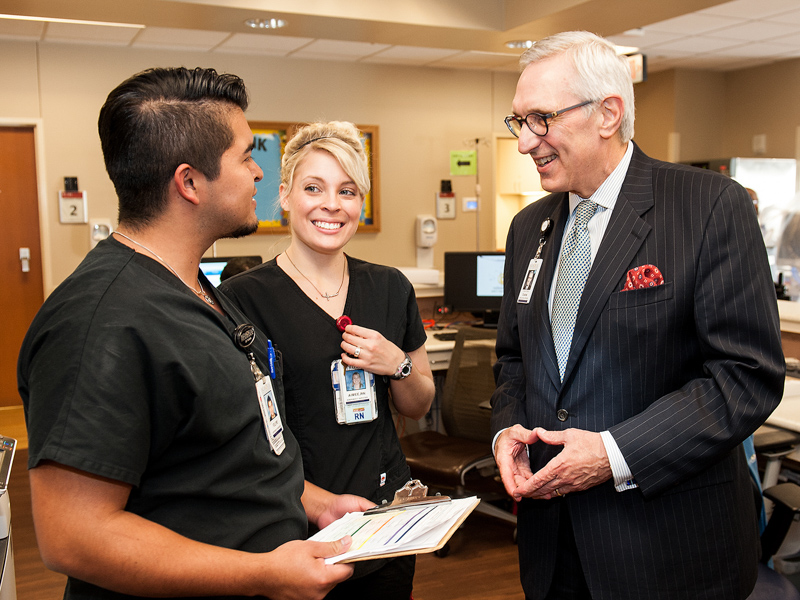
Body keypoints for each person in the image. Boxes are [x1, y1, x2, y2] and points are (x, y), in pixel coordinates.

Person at [17, 67, 374, 600]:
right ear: (189, 182)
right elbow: (75, 537)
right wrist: (265, 573)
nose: (258, 173)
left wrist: (319, 503)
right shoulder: (100, 322)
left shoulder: (201, 292)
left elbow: (231, 455)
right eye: (246, 156)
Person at [492, 31, 785, 600]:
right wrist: (508, 430)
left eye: (540, 120)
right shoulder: (529, 228)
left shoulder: (708, 206)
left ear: (608, 113)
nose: (526, 142)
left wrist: (612, 454)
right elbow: (513, 358)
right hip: (554, 549)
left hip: (670, 548)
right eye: (518, 122)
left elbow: (745, 376)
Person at [220, 121, 436, 599]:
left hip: (382, 518)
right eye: (313, 188)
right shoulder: (242, 300)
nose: (332, 205)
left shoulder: (389, 287)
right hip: (288, 522)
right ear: (285, 195)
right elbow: (241, 438)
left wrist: (397, 362)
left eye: (348, 190)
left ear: (362, 202)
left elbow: (419, 404)